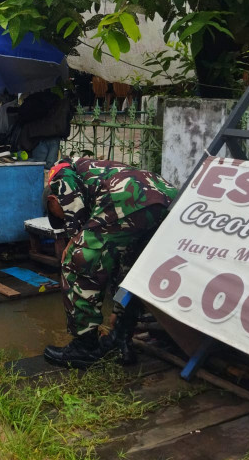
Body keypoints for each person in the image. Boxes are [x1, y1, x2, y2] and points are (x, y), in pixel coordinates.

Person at [42, 157, 177, 368]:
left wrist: (74, 236)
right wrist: (118, 308)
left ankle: (84, 348)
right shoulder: (93, 173)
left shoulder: (59, 173)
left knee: (77, 261)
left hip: (127, 199)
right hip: (167, 199)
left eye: (58, 216)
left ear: (52, 200)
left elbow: (73, 205)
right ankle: (121, 337)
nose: (63, 220)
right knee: (132, 269)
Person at [13, 85, 74, 168]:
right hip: (53, 133)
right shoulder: (57, 99)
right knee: (49, 165)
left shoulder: (34, 100)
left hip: (38, 135)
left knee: (39, 165)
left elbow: (23, 117)